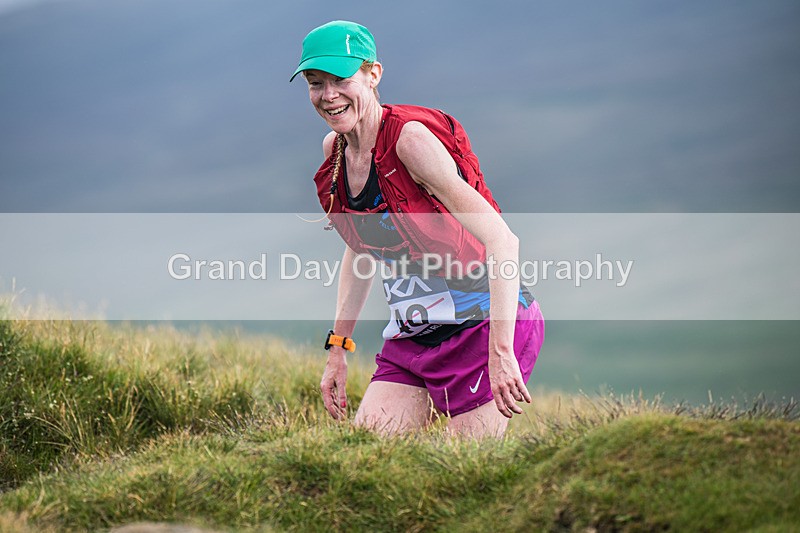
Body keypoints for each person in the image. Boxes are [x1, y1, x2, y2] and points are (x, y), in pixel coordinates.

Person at [291, 20, 544, 438]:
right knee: (368, 458)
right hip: (414, 336)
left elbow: (502, 239)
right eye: (315, 83)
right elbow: (362, 249)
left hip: (482, 328)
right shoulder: (334, 151)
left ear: (373, 74)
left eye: (340, 79)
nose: (328, 95)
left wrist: (501, 352)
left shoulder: (410, 142)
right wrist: (338, 346)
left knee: (459, 471)